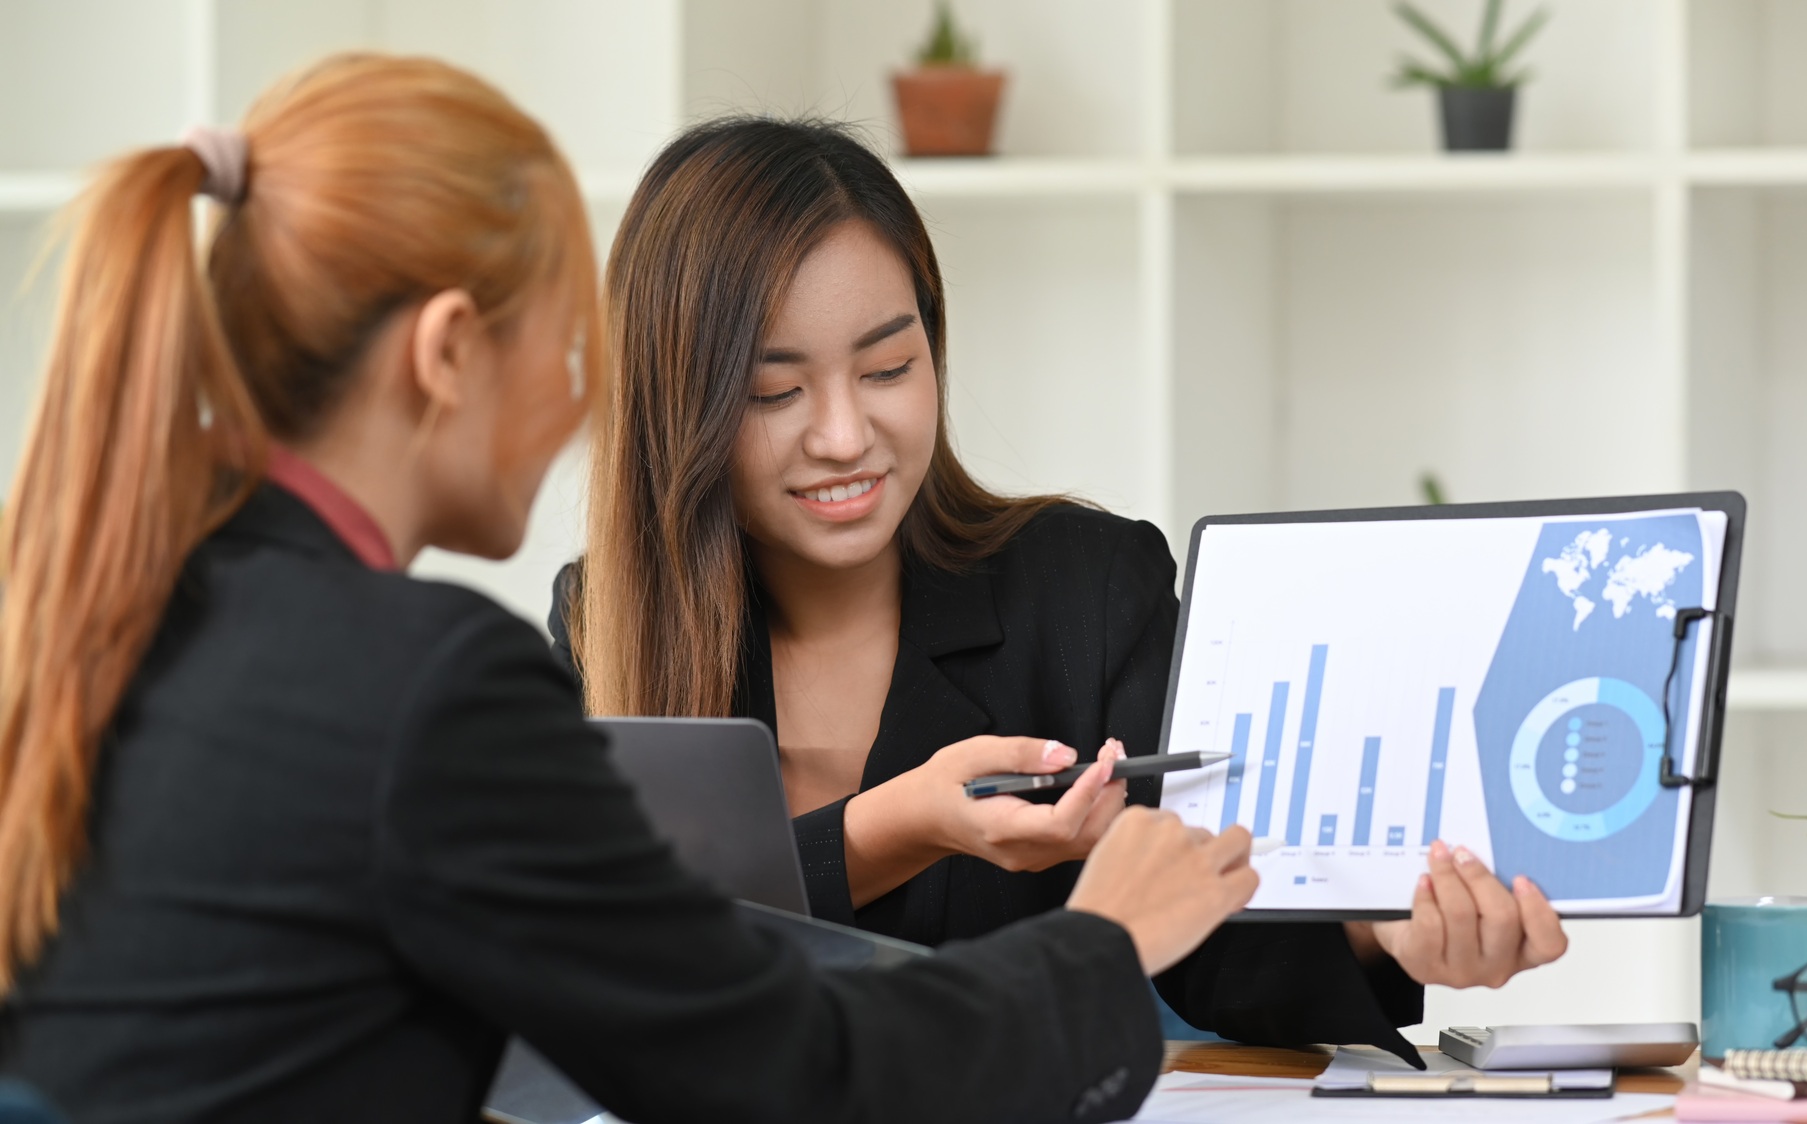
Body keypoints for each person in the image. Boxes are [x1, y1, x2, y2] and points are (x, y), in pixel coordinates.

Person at [0, 55, 1263, 1124]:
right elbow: (787, 1067)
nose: (581, 404)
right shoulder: (424, 684)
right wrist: (1095, 950)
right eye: (563, 347)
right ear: (447, 352)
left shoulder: (99, 615)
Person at [553, 116, 1570, 1063]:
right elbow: (606, 964)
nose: (844, 434)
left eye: (888, 367)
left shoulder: (1083, 588)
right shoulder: (604, 627)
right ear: (676, 405)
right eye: (775, 391)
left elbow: (1215, 942)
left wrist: (1387, 928)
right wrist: (897, 823)